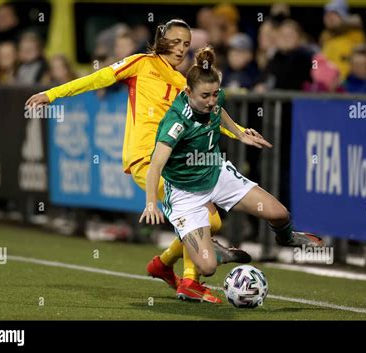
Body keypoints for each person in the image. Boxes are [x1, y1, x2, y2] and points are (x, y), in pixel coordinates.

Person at [25, 19, 264, 303]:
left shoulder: (183, 82)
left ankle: (165, 265)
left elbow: (210, 114)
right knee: (207, 217)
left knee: (208, 219)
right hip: (146, 160)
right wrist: (52, 94)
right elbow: (96, 78)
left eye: (186, 44)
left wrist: (239, 133)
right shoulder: (141, 63)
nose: (181, 49)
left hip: (173, 162)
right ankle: (187, 279)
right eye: (175, 42)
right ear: (162, 39)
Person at [139, 47, 324, 301]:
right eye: (205, 95)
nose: (212, 100)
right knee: (207, 268)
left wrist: (239, 133)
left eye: (215, 93)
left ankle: (287, 238)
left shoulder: (213, 99)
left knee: (279, 213)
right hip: (185, 194)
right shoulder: (176, 123)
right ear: (188, 92)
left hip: (217, 174)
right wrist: (151, 203)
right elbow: (156, 166)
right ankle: (216, 252)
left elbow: (219, 111)